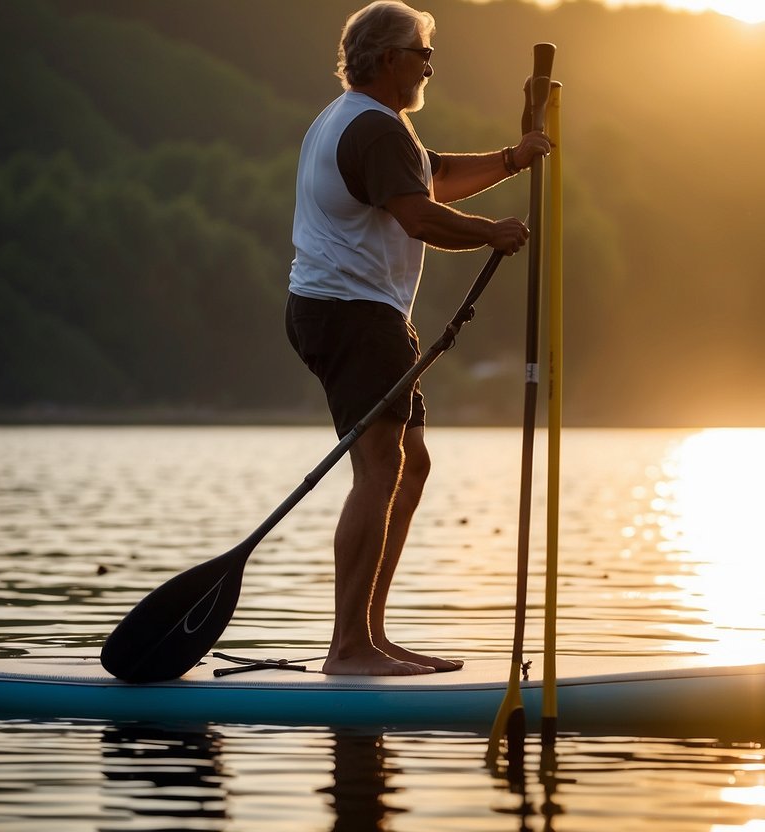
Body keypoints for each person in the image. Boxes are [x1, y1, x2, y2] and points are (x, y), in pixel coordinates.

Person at [285, 0, 551, 676]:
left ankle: (368, 636)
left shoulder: (365, 121)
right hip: (352, 315)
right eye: (420, 52)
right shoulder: (373, 127)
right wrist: (491, 231)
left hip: (351, 313)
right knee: (379, 468)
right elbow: (418, 217)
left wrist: (513, 158)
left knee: (409, 463)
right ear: (387, 59)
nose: (430, 63)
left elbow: (430, 177)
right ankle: (348, 648)